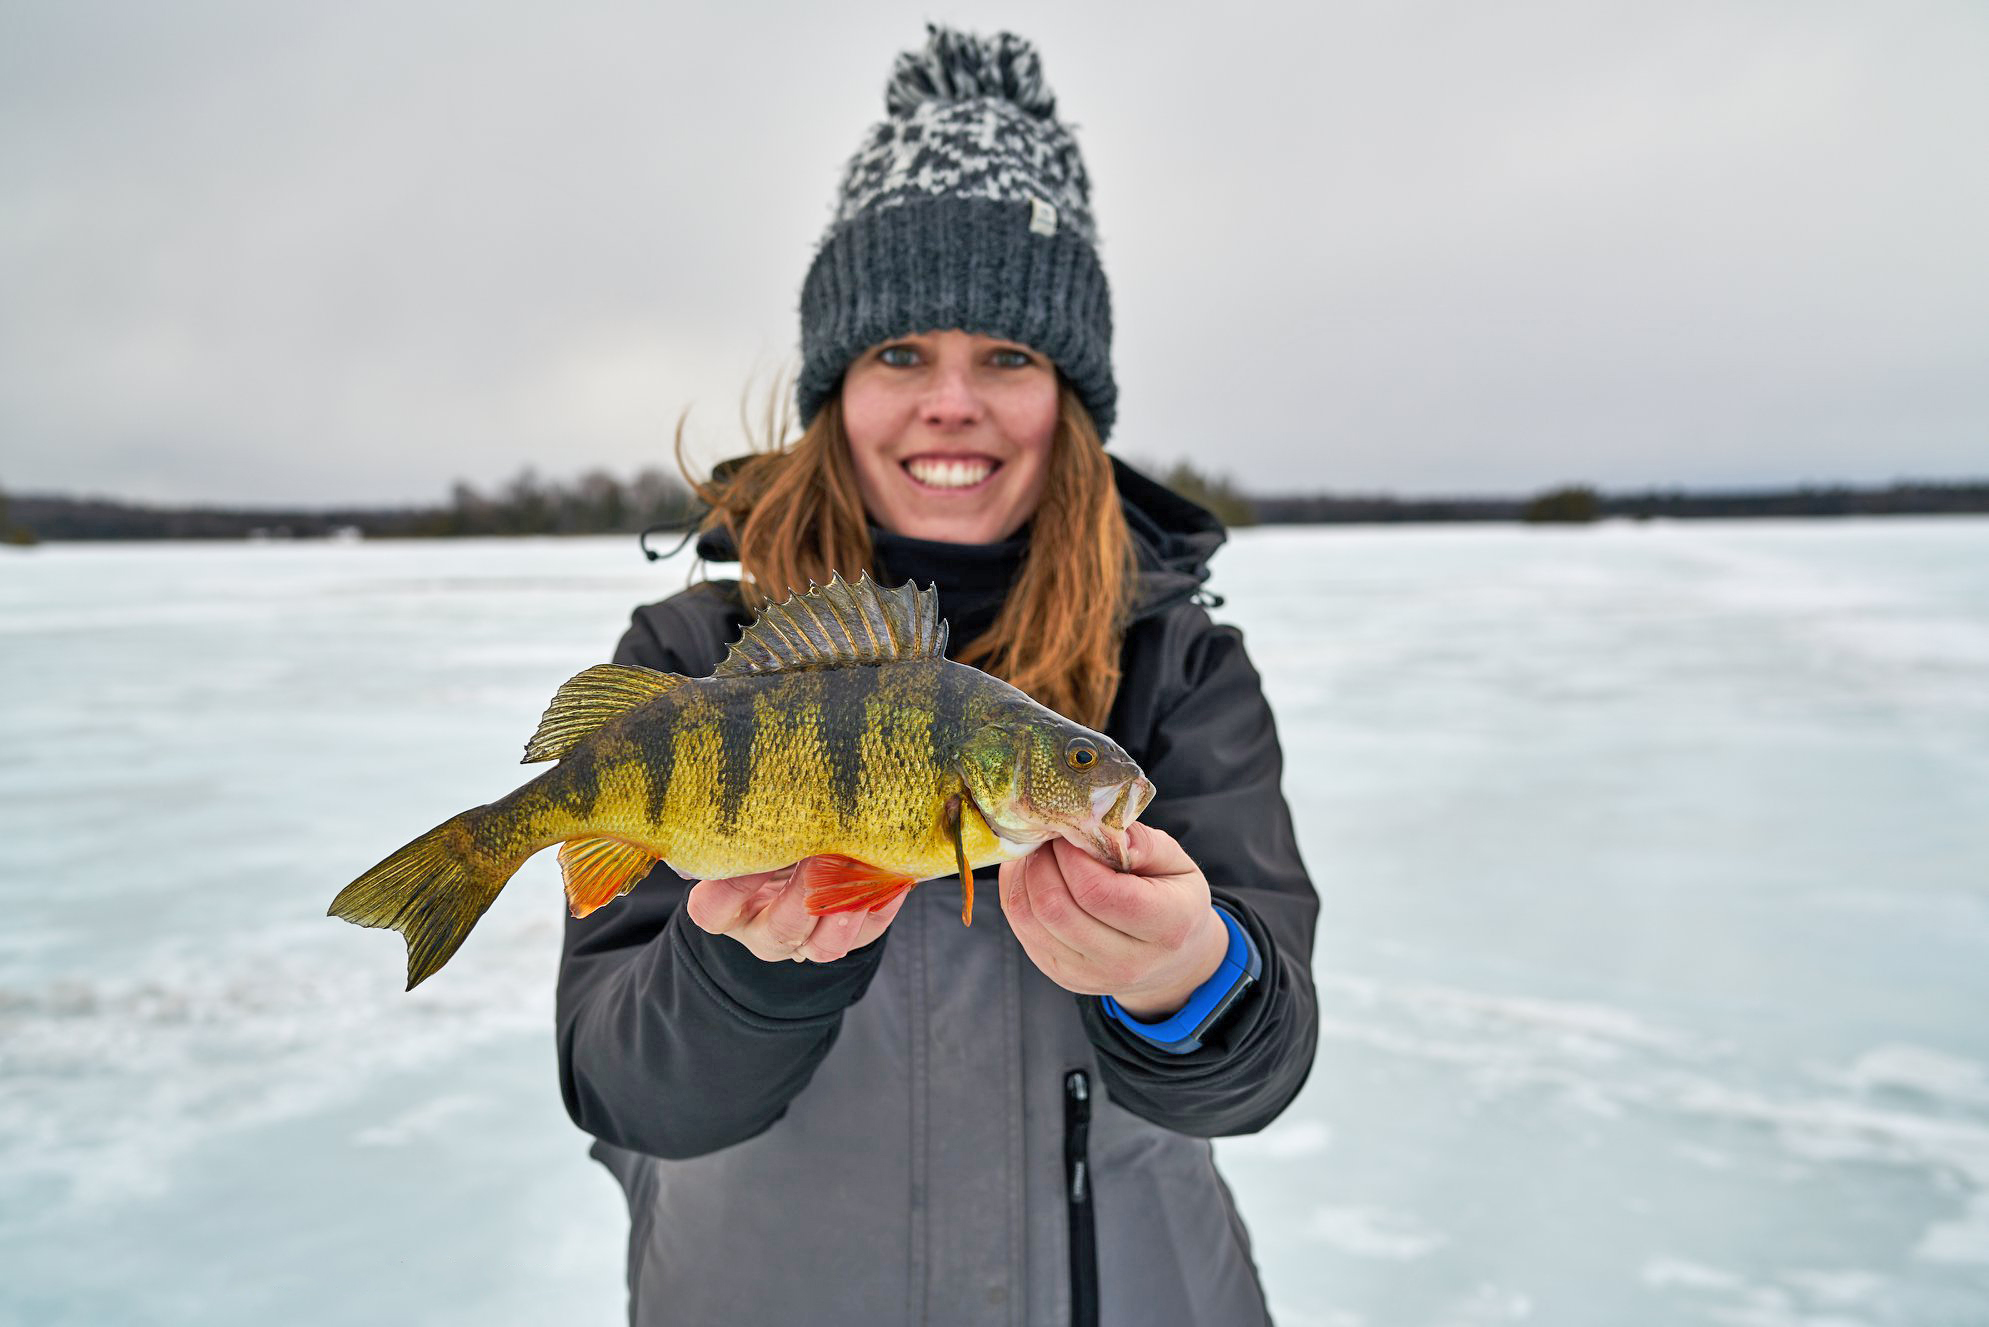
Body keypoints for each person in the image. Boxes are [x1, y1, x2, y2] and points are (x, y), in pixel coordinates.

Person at [556, 25, 1319, 1327]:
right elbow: (625, 1092)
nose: (950, 404)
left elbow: (1251, 1074)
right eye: (900, 353)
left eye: (1007, 357)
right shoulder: (691, 663)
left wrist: (1181, 971)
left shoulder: (1177, 673)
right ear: (834, 386)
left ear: (1070, 396)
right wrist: (747, 972)